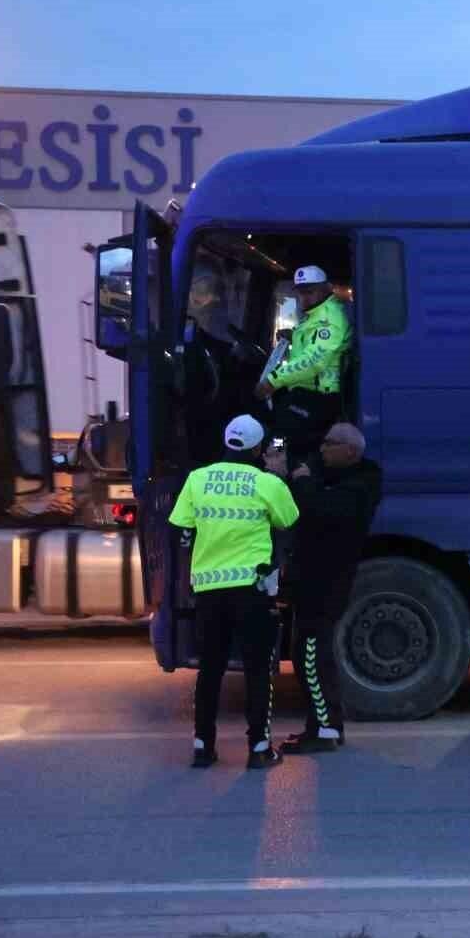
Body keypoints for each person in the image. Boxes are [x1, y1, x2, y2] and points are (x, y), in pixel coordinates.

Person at [169, 414, 300, 769]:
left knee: (210, 668)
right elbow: (289, 523)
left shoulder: (197, 480)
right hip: (252, 590)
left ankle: (202, 746)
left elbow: (180, 530)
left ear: (227, 442)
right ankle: (258, 749)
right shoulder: (267, 483)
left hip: (209, 591)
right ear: (257, 448)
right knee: (258, 669)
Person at [281, 423, 383, 754]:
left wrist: (300, 479)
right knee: (310, 654)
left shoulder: (360, 486)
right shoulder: (337, 476)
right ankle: (325, 726)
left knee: (310, 656)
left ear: (351, 451)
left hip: (325, 583)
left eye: (330, 443)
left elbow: (318, 510)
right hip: (313, 580)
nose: (322, 449)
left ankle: (324, 730)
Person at [257, 265, 353, 468]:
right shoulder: (315, 315)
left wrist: (273, 380)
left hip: (320, 398)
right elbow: (312, 345)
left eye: (310, 292)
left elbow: (314, 361)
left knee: (281, 432)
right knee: (279, 419)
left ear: (325, 289)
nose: (304, 298)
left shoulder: (329, 318)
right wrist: (293, 336)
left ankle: (277, 470)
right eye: (301, 293)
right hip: (305, 392)